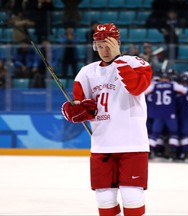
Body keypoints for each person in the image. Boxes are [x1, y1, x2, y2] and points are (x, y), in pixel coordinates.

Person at [61, 23, 152, 216]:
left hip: (132, 144)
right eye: (99, 46)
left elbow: (136, 87)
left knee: (131, 194)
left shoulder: (136, 63)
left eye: (108, 45)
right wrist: (75, 111)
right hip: (102, 145)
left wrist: (118, 58)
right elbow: (79, 106)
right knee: (103, 197)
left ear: (117, 43)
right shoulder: (86, 72)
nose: (103, 50)